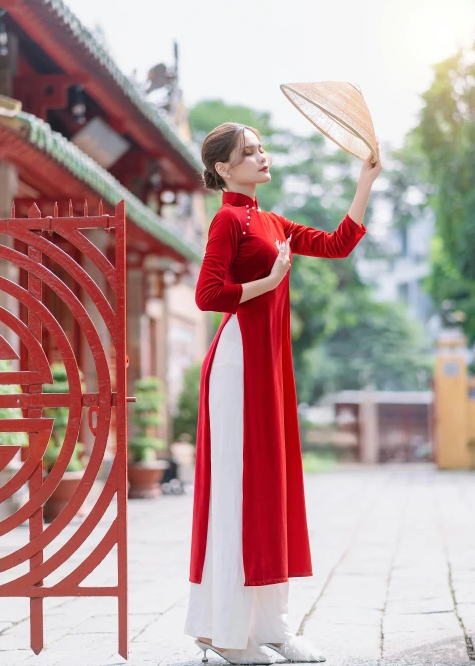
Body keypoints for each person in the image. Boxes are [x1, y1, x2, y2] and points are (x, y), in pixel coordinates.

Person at [183, 122, 382, 664]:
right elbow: (207, 295)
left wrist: (364, 181)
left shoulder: (270, 222)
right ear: (224, 168)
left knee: (269, 491)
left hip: (268, 366)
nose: (262, 156)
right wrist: (265, 286)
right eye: (249, 152)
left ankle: (272, 626)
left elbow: (337, 245)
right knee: (237, 490)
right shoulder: (227, 220)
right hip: (239, 363)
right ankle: (227, 633)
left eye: (261, 147)